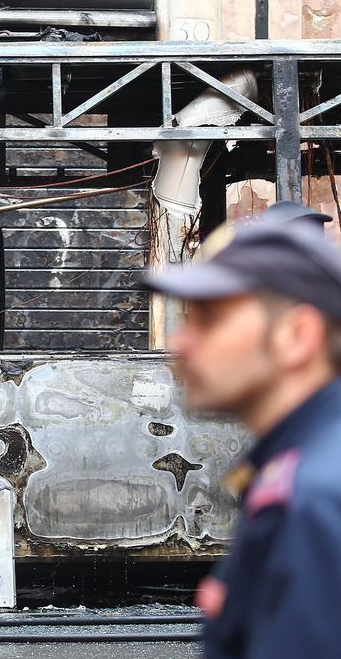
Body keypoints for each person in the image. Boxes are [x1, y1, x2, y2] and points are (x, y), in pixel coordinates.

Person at [140, 219, 341, 657]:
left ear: (297, 335)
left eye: (209, 319)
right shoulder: (300, 465)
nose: (182, 342)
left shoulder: (314, 497)